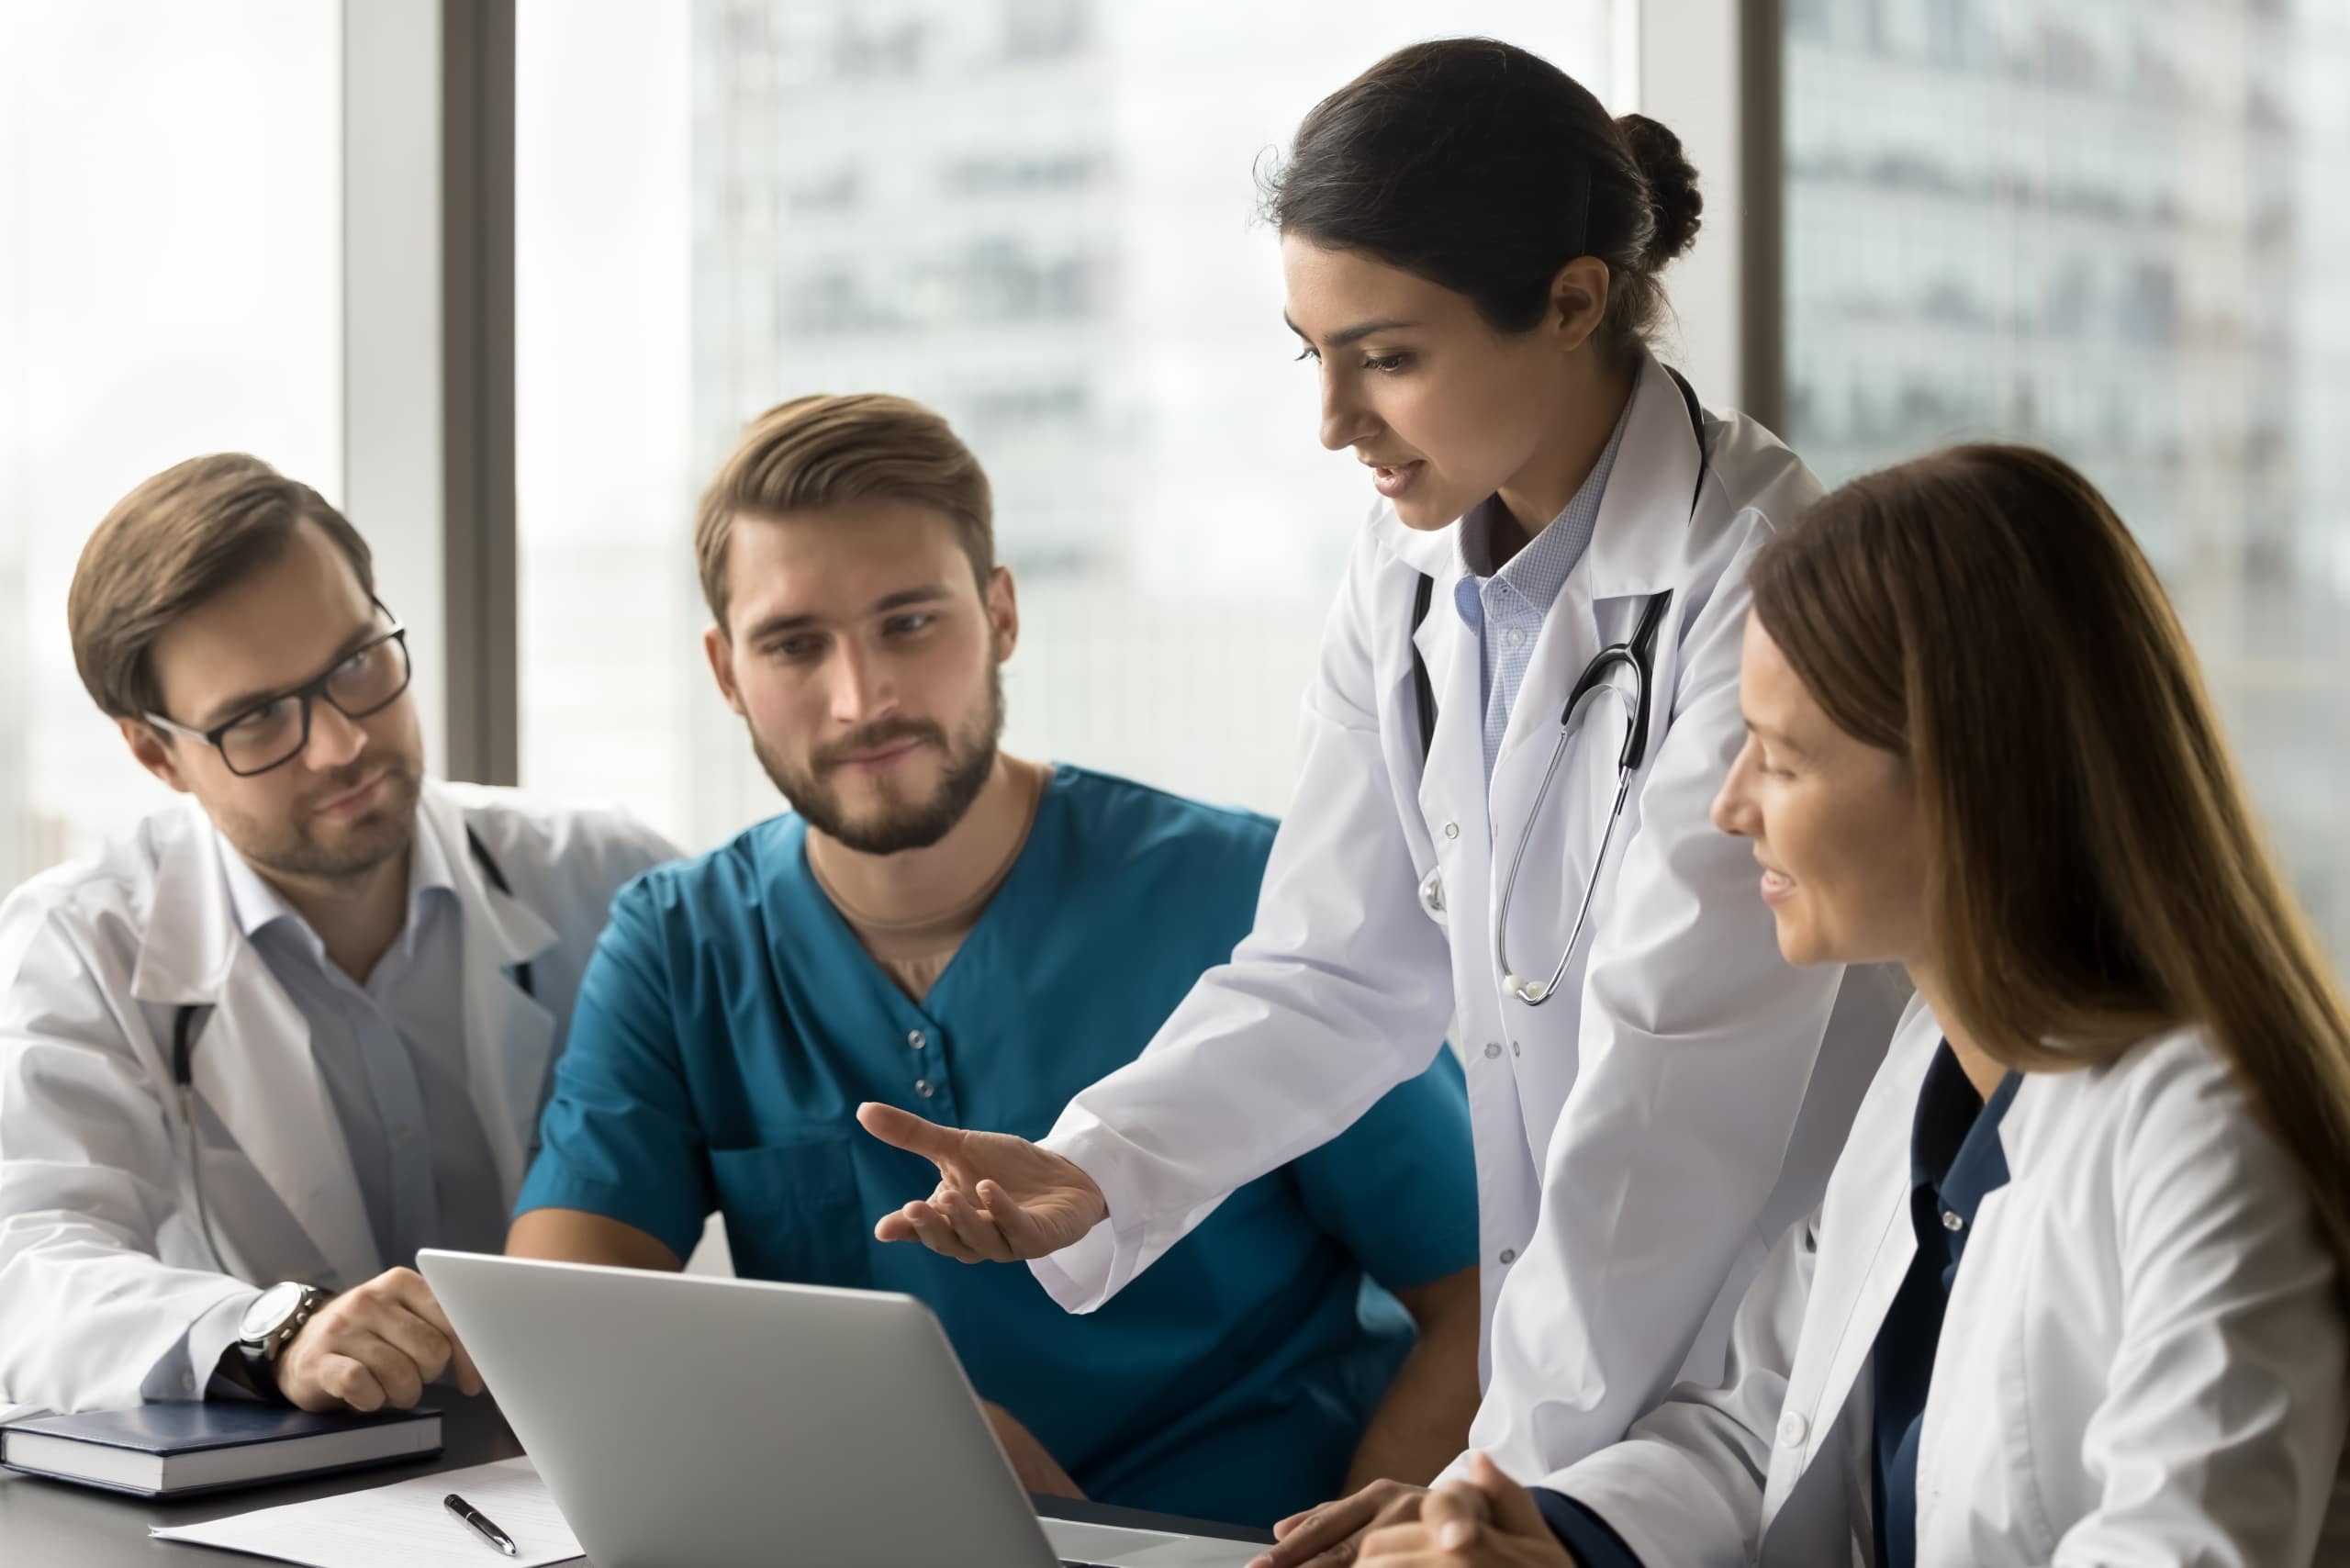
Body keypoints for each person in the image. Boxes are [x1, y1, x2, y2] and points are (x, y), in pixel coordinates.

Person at [858, 37, 1908, 1562]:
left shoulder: (1765, 582)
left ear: (1572, 300)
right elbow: (1338, 963)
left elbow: (1667, 1111)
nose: (1336, 418)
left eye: (1388, 355)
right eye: (1314, 352)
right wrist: (1102, 1165)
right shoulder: (1410, 566)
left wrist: (1483, 1484)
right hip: (1585, 1388)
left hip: (1764, 1350)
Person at [1352, 445, 2350, 1567]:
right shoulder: (1931, 1070)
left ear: (1968, 778)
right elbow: (1757, 1428)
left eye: (1779, 759)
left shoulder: (2203, 1135)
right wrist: (1547, 1533)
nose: (1730, 809)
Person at [504, 393, 1484, 1529]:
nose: (860, 696)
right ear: (726, 672)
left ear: (1001, 613)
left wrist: (1372, 1547)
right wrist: (903, 1440)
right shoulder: (678, 946)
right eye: (793, 643)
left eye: (909, 622)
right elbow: (564, 1330)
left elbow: (1480, 1288)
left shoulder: (1254, 897)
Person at [0, 455, 677, 1417]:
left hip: (581, 1471)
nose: (342, 743)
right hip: (274, 1512)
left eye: (357, 663)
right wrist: (276, 1330)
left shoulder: (606, 879)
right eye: (258, 719)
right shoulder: (81, 943)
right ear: (157, 753)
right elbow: (27, 1266)